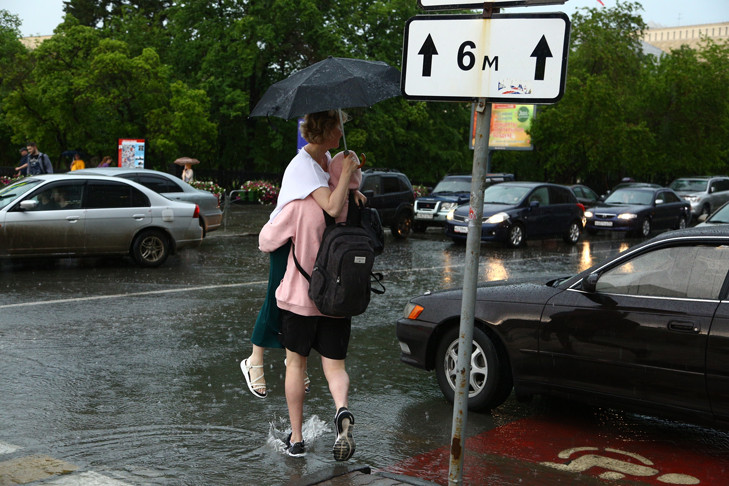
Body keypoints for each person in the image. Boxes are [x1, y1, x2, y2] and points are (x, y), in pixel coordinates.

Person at [258, 143, 361, 460]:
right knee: (335, 368)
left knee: (296, 364)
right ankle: (342, 410)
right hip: (337, 301)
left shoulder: (302, 205)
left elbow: (265, 241)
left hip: (299, 300)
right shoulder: (354, 206)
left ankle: (297, 439)